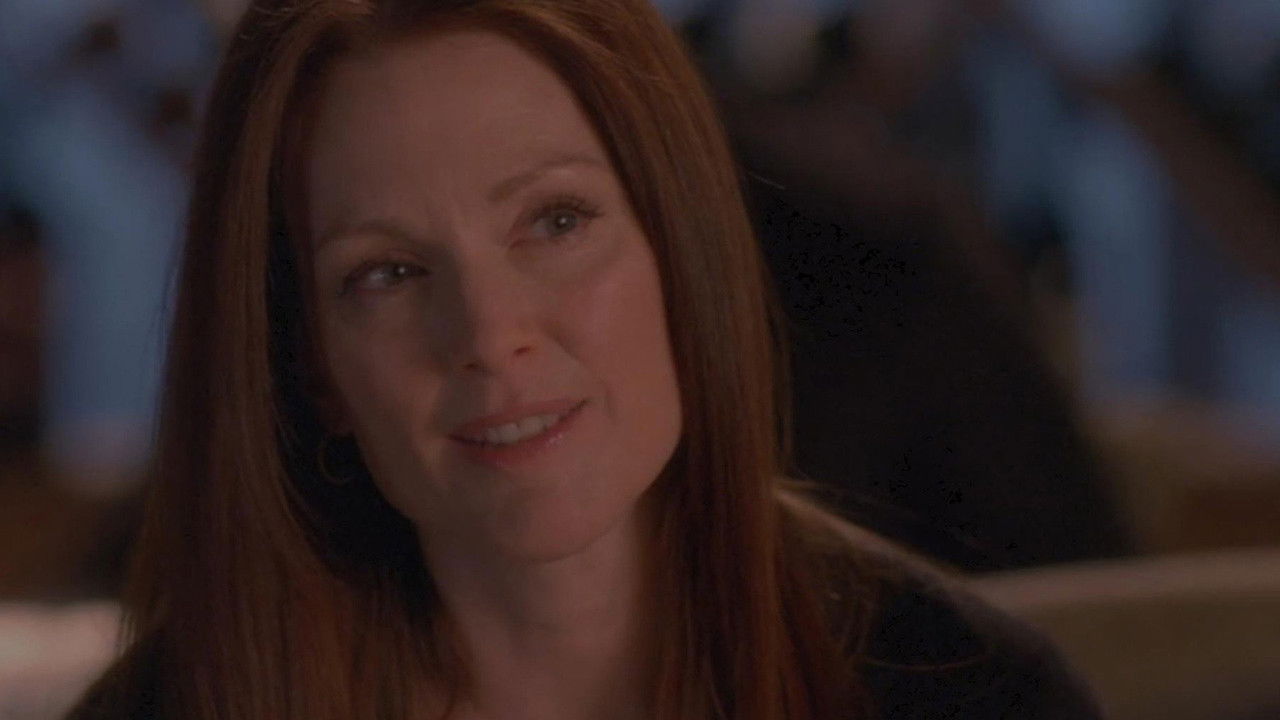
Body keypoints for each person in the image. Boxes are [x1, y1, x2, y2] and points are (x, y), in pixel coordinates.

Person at [66, 1, 1103, 718]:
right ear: (310, 366)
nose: (488, 335)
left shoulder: (967, 695)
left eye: (555, 221)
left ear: (678, 246)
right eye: (386, 273)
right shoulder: (178, 706)